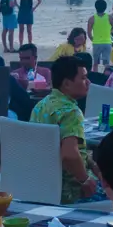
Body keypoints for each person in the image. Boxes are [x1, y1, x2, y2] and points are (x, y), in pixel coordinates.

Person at [29, 55, 99, 204]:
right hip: (70, 190)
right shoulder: (71, 112)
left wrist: (92, 164)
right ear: (67, 84)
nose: (88, 82)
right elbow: (69, 154)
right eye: (83, 78)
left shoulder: (41, 105)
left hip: (42, 184)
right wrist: (85, 180)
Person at [87, 0, 113, 69]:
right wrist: (109, 33)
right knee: (106, 63)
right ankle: (106, 77)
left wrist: (92, 39)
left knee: (95, 63)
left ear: (95, 7)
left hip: (97, 43)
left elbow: (89, 33)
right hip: (107, 42)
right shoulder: (109, 17)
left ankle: (95, 77)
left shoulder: (92, 18)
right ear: (105, 8)